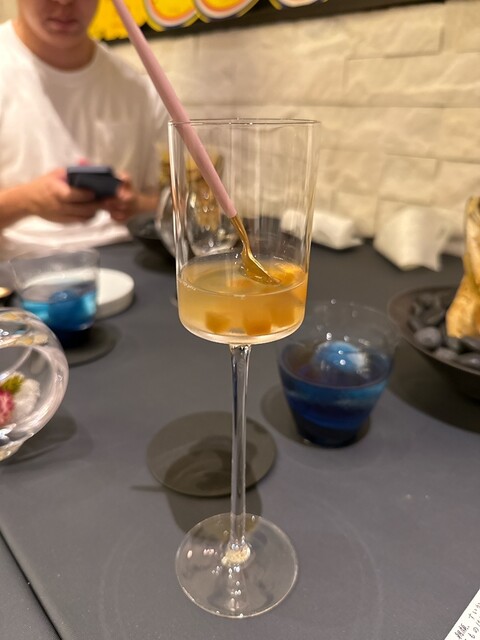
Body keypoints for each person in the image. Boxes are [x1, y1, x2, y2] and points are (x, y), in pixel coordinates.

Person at [0, 0, 167, 257]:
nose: (65, 2)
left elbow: (181, 206)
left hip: (131, 255)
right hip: (19, 261)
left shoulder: (140, 89)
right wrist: (26, 201)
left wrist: (136, 204)